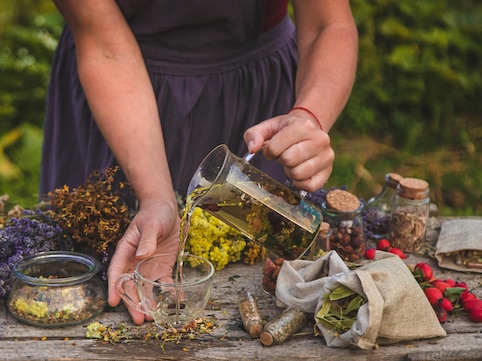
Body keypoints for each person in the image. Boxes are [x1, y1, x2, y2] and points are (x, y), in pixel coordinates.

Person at [41, 0, 358, 325]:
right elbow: (106, 47)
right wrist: (155, 198)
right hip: (121, 102)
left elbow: (326, 23)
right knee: (91, 248)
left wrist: (308, 116)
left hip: (257, 96)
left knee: (274, 243)